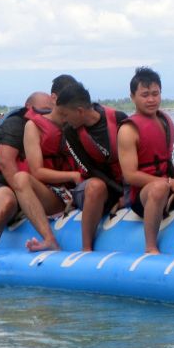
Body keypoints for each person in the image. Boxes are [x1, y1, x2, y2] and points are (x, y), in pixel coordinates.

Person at [0, 91, 62, 281]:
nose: (45, 116)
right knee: (8, 202)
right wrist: (25, 200)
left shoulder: (51, 127)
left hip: (25, 186)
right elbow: (5, 162)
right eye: (42, 111)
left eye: (49, 112)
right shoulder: (16, 124)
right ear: (29, 108)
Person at [117, 67, 174, 254]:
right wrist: (168, 182)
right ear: (132, 97)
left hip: (170, 184)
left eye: (155, 94)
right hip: (143, 195)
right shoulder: (128, 130)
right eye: (145, 95)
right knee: (160, 188)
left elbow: (167, 160)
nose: (151, 99)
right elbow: (130, 175)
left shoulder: (164, 120)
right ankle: (150, 246)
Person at [61, 83, 129, 251]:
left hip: (124, 185)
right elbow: (91, 170)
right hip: (92, 188)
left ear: (80, 111)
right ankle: (86, 248)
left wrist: (129, 193)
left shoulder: (119, 118)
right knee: (96, 186)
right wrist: (123, 194)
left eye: (66, 114)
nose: (63, 119)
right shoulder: (70, 132)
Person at [23, 82, 88, 219]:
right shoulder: (33, 126)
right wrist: (73, 175)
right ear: (55, 99)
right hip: (52, 192)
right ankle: (48, 236)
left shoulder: (79, 123)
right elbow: (37, 172)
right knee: (21, 179)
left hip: (80, 189)